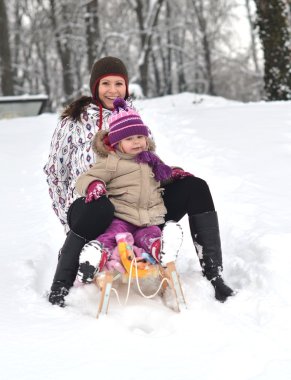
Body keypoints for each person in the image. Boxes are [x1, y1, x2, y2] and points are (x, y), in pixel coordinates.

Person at [44, 56, 234, 307]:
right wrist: (68, 217)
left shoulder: (134, 117)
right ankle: (61, 285)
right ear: (95, 87)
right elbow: (55, 172)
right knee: (101, 206)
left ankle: (213, 274)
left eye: (119, 84)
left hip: (138, 205)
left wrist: (172, 174)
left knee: (196, 187)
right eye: (106, 84)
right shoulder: (74, 121)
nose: (113, 90)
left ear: (126, 86)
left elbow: (147, 166)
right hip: (92, 204)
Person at [75, 97, 182, 279]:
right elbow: (85, 178)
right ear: (117, 144)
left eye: (140, 137)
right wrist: (95, 184)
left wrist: (175, 173)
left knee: (151, 237)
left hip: (149, 219)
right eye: (129, 139)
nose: (137, 142)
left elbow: (163, 177)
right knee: (110, 236)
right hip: (122, 216)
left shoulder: (151, 160)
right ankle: (94, 258)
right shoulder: (112, 162)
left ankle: (162, 250)